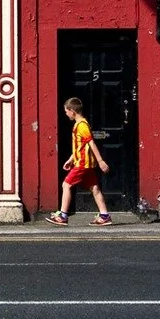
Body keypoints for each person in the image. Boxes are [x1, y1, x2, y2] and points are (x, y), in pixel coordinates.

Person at [46, 96, 113, 226]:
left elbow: (91, 143)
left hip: (83, 163)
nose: (66, 114)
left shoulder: (82, 125)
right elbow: (80, 146)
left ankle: (63, 216)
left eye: (66, 111)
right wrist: (71, 159)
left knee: (66, 185)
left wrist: (100, 161)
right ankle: (104, 216)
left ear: (72, 111)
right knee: (95, 188)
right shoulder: (80, 124)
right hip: (82, 162)